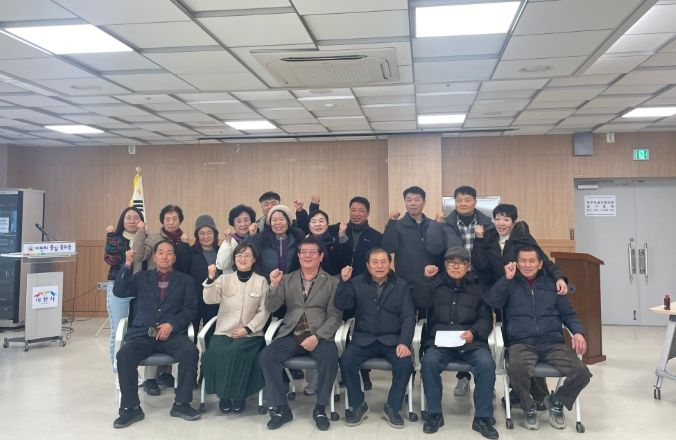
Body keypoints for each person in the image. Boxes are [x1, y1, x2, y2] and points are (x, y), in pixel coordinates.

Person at [484, 246, 591, 431]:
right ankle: (528, 408)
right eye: (523, 261)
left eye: (532, 261)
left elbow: (568, 313)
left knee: (582, 372)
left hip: (553, 344)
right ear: (517, 264)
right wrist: (506, 279)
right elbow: (492, 302)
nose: (527, 265)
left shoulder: (553, 285)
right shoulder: (510, 283)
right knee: (516, 369)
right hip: (521, 343)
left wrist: (578, 332)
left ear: (540, 264)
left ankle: (556, 402)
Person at [258, 237, 342, 431]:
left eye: (313, 252)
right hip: (291, 333)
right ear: (298, 256)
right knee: (267, 356)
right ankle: (281, 408)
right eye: (303, 252)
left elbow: (335, 316)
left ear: (321, 256)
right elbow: (271, 306)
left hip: (319, 335)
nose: (307, 256)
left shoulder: (332, 282)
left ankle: (320, 408)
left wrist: (318, 337)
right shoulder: (286, 279)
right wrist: (273, 285)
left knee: (330, 358)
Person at [113, 241, 200, 428]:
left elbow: (190, 309)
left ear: (174, 258)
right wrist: (127, 264)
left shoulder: (186, 281)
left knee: (190, 351)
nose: (165, 256)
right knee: (124, 354)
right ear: (154, 257)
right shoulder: (141, 278)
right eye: (161, 252)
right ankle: (131, 408)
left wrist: (172, 324)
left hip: (172, 335)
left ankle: (182, 404)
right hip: (143, 334)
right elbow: (119, 291)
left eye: (169, 253)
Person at [415, 247, 498, 439]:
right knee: (429, 362)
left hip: (470, 342)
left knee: (486, 364)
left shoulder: (478, 288)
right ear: (445, 265)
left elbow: (486, 319)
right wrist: (425, 280)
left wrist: (474, 333)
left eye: (461, 263)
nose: (456, 266)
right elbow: (420, 302)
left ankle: (483, 418)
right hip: (441, 341)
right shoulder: (435, 285)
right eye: (451, 262)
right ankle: (434, 414)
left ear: (468, 266)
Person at [335, 248, 415, 429]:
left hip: (392, 339)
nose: (379, 266)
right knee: (346, 360)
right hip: (364, 338)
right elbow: (343, 305)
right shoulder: (356, 282)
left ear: (389, 263)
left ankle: (393, 407)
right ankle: (358, 405)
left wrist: (404, 342)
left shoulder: (401, 285)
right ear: (367, 265)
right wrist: (344, 283)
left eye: (383, 262)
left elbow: (408, 316)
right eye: (375, 262)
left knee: (405, 364)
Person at [426, 185, 493, 397]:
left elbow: (492, 253)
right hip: (454, 279)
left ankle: (485, 380)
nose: (463, 203)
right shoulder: (446, 223)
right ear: (454, 203)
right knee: (455, 320)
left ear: (475, 201)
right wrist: (436, 226)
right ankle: (463, 378)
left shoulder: (487, 224)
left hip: (480, 281)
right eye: (459, 200)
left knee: (478, 327)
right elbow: (434, 249)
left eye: (467, 199)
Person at [201, 242, 270, 414]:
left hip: (250, 334)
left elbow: (264, 310)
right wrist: (211, 278)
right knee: (214, 353)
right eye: (239, 255)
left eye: (247, 255)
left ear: (254, 259)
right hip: (224, 331)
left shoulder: (261, 281)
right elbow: (209, 299)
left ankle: (239, 396)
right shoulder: (224, 279)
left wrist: (248, 328)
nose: (243, 258)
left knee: (236, 352)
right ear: (234, 259)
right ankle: (224, 395)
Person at [132, 204, 191, 395]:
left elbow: (185, 265)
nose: (171, 222)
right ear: (162, 221)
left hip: (176, 289)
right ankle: (151, 379)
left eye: (175, 218)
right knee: (154, 326)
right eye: (167, 219)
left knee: (171, 331)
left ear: (180, 221)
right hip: (154, 287)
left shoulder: (182, 238)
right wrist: (141, 232)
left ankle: (165, 374)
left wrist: (184, 245)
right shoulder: (154, 238)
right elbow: (139, 255)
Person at [104, 207, 145, 379]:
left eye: (136, 217)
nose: (132, 221)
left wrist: (142, 234)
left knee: (137, 332)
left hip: (140, 288)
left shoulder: (145, 238)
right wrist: (110, 235)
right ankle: (119, 373)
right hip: (119, 287)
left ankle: (133, 371)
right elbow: (111, 259)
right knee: (119, 330)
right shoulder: (116, 238)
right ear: (123, 220)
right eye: (128, 217)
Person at [382, 186, 441, 286]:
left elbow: (439, 249)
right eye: (409, 200)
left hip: (431, 280)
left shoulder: (433, 225)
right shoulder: (397, 225)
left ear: (424, 202)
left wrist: (439, 225)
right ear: (405, 202)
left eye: (417, 199)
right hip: (405, 283)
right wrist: (391, 223)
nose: (413, 203)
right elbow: (389, 248)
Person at [248, 204, 305, 282]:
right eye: (274, 220)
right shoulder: (261, 240)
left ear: (288, 222)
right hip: (267, 282)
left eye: (282, 219)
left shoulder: (298, 238)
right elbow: (249, 255)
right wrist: (251, 237)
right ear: (270, 223)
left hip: (292, 283)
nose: (278, 222)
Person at [187, 215, 220, 343]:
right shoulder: (190, 252)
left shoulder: (221, 251)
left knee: (210, 332)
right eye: (202, 233)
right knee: (192, 332)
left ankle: (208, 355)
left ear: (214, 234)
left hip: (214, 299)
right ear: (197, 235)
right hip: (195, 299)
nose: (206, 236)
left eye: (209, 232)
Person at [307, 209, 350, 276]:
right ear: (309, 226)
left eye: (321, 221)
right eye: (313, 222)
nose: (317, 224)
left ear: (327, 225)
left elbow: (344, 261)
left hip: (333, 279)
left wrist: (342, 236)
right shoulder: (304, 244)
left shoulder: (335, 241)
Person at [215, 204, 256, 273]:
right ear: (233, 224)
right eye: (239, 221)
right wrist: (228, 243)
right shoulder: (229, 241)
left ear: (252, 222)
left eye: (246, 220)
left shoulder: (258, 238)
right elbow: (221, 265)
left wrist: (253, 238)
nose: (243, 224)